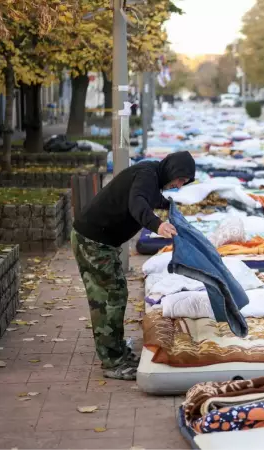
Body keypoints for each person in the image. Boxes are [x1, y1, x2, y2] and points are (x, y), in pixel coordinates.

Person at [71, 151, 195, 380]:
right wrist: (157, 225)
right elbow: (137, 203)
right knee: (109, 298)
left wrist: (169, 207)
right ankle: (113, 361)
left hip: (97, 241)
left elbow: (149, 198)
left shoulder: (151, 175)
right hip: (93, 242)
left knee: (114, 294)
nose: (178, 185)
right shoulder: (147, 175)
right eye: (180, 180)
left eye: (183, 183)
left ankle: (116, 352)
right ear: (172, 170)